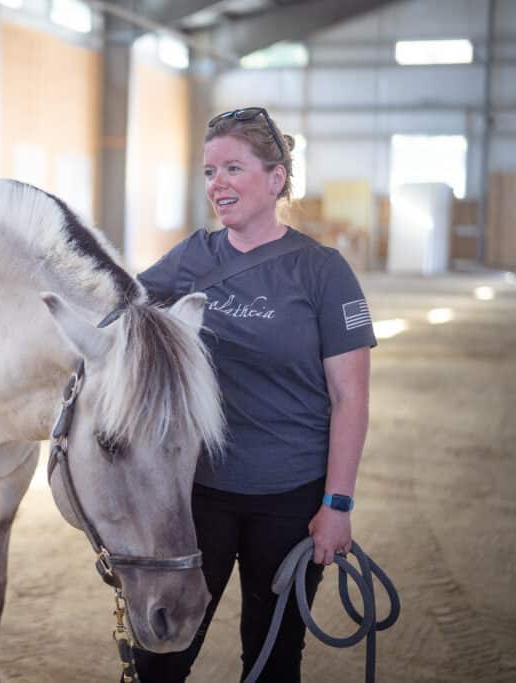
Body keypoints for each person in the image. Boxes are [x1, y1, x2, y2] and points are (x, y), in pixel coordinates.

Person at [134, 107, 376, 682]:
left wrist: (336, 505)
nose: (217, 184)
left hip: (291, 499)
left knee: (271, 661)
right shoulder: (192, 257)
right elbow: (122, 314)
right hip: (198, 495)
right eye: (209, 172)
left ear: (277, 179)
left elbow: (351, 398)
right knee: (162, 655)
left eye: (233, 169)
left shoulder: (323, 271)